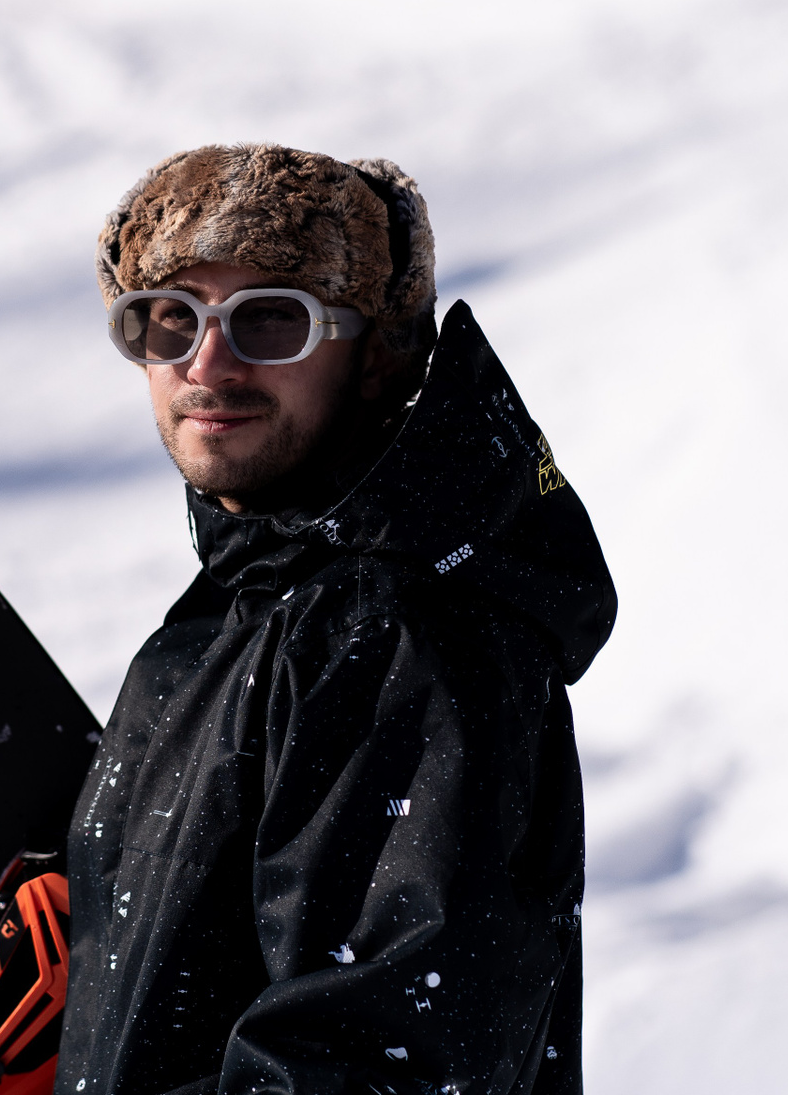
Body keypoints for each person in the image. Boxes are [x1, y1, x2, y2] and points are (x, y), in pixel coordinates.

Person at [57, 145, 616, 1095]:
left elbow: (369, 1064)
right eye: (170, 316)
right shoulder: (248, 609)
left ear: (375, 353)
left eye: (270, 319)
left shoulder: (395, 633)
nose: (208, 362)